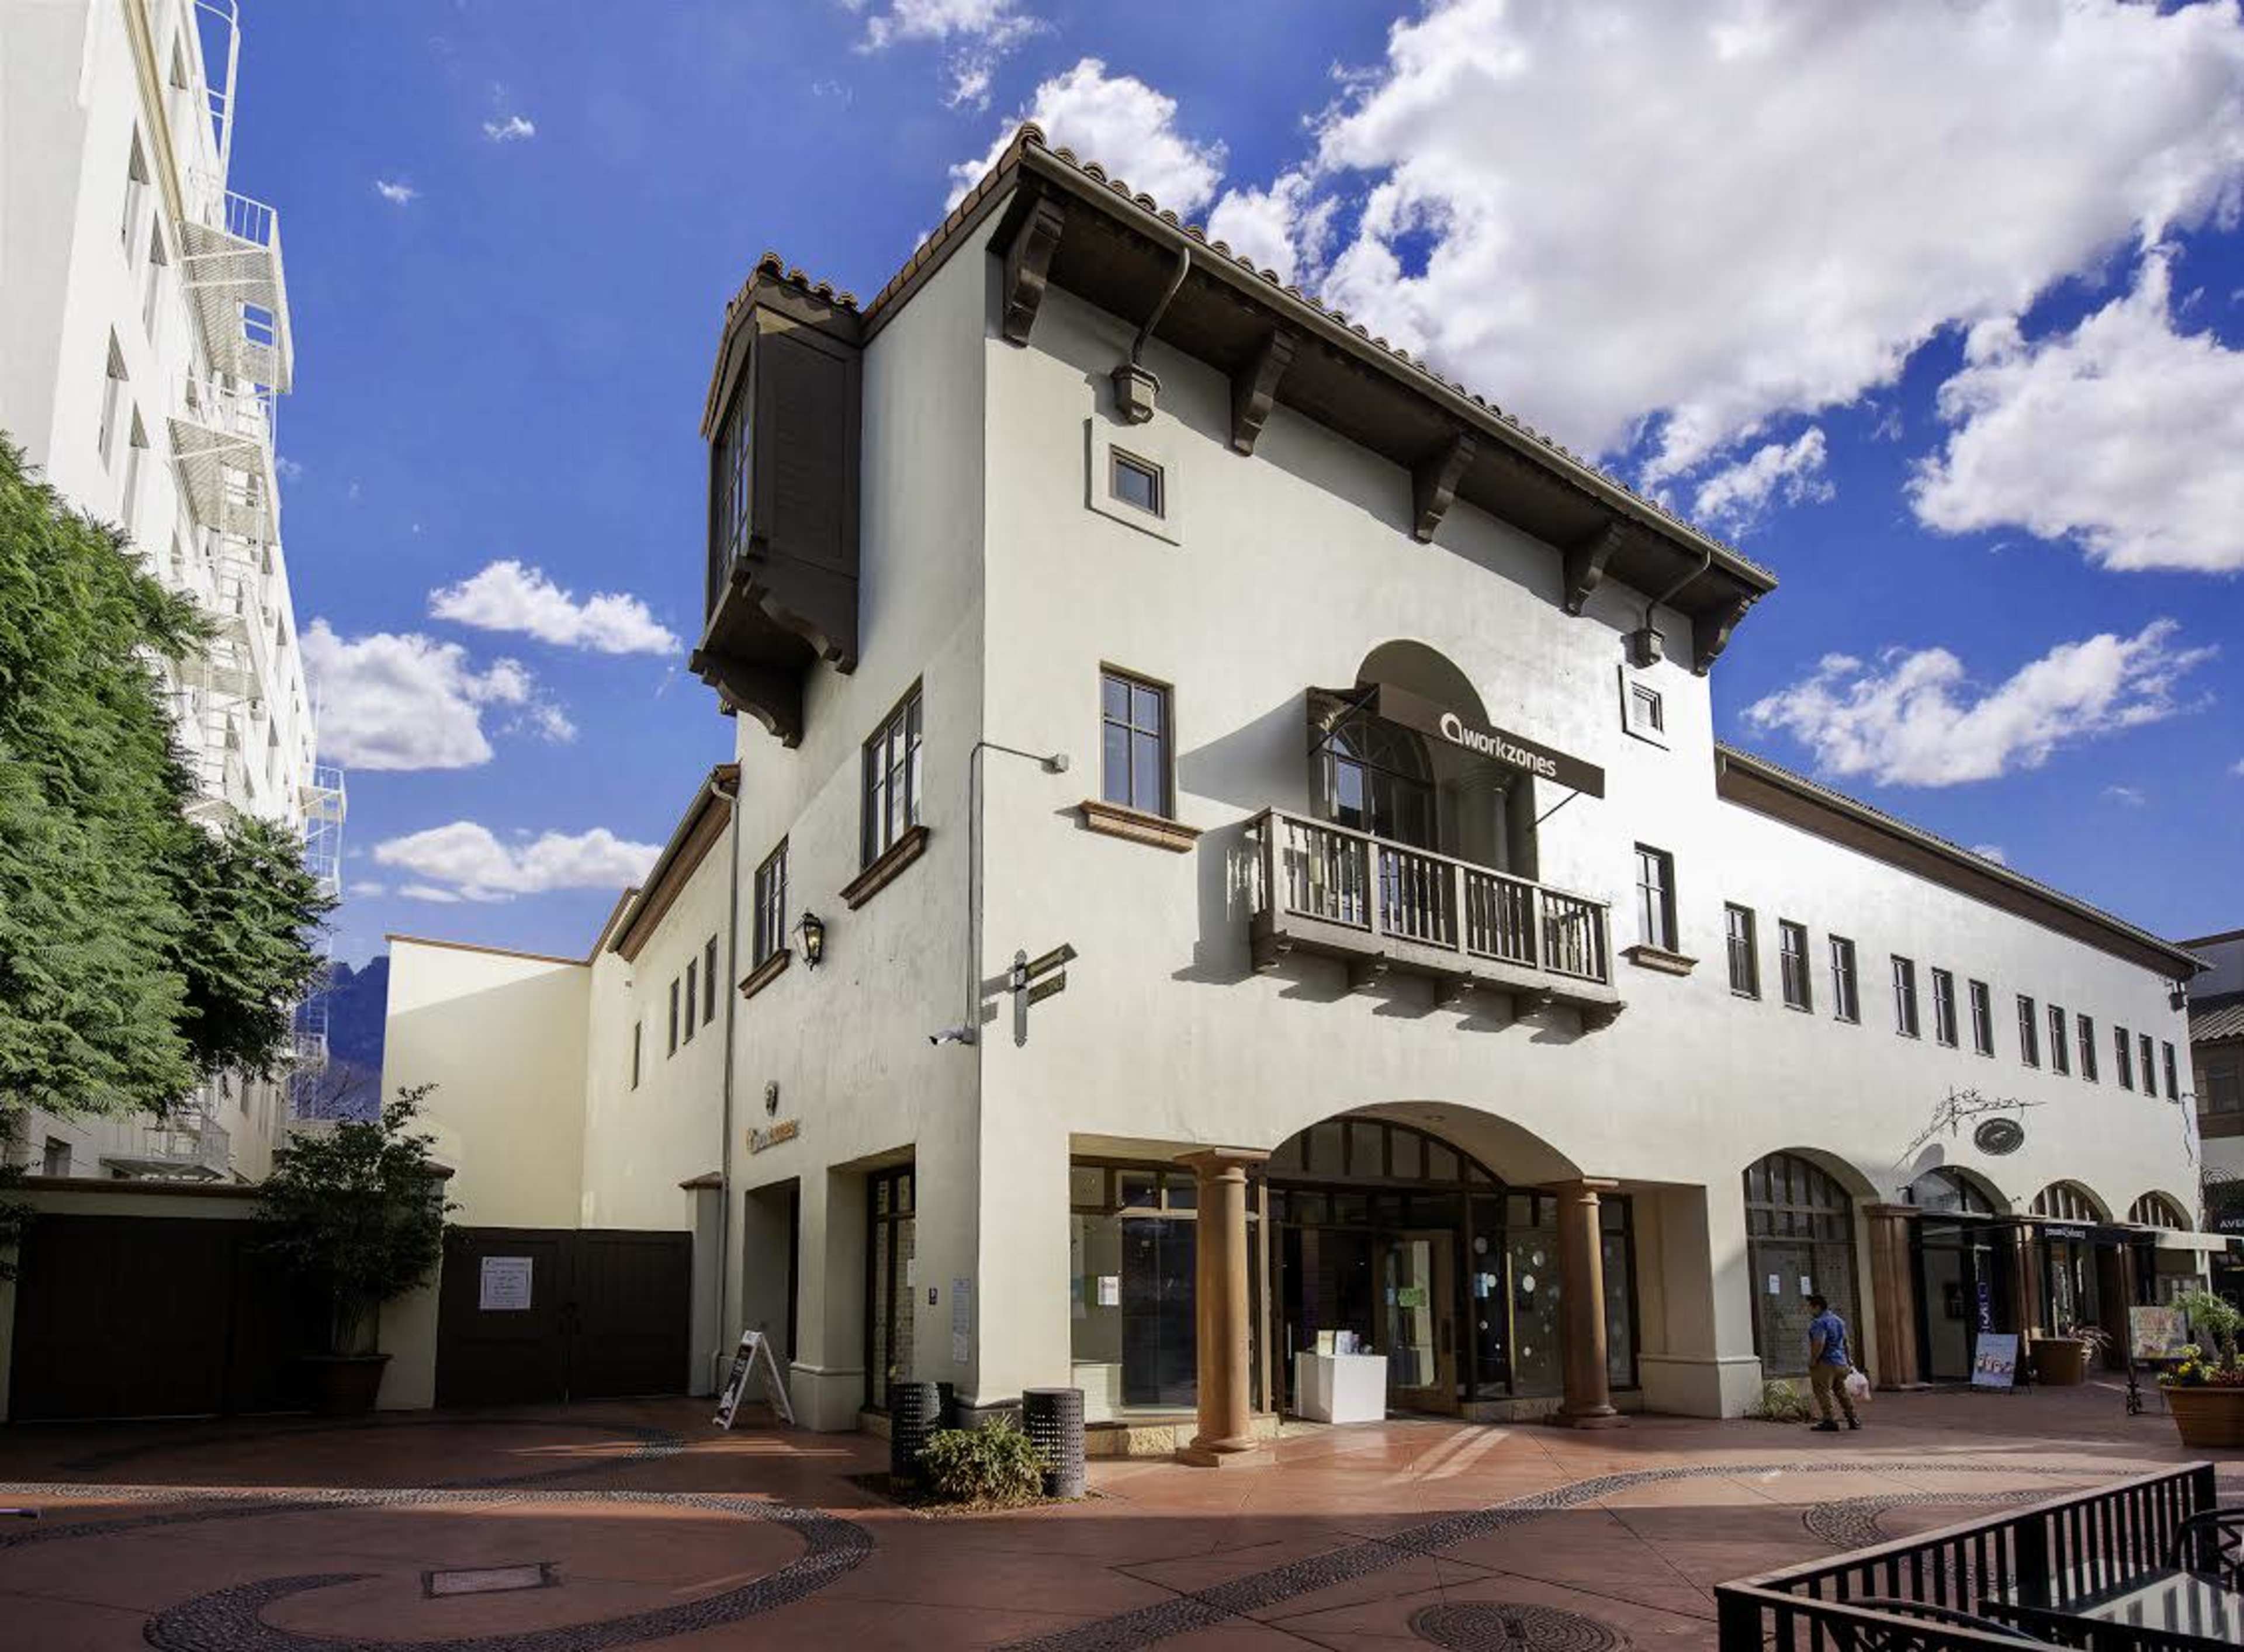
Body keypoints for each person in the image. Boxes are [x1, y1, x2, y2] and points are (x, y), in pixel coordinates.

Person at [1804, 1292, 1861, 1432]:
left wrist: (1813, 1360)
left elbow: (1819, 1342)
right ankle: (1853, 1418)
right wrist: (1849, 1360)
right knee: (1841, 1391)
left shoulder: (1819, 1323)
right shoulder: (1838, 1321)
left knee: (1823, 1391)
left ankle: (1830, 1420)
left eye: (1809, 1307)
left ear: (1817, 1307)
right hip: (1841, 1362)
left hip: (1825, 1363)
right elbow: (1846, 1342)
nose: (1808, 1310)